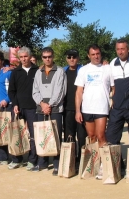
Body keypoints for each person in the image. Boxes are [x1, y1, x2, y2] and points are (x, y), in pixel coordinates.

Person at [75, 44, 114, 179]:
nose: (96, 56)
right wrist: (77, 111)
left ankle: (104, 165)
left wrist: (113, 101)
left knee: (101, 135)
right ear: (88, 55)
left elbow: (114, 88)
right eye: (93, 54)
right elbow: (79, 92)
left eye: (98, 54)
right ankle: (94, 163)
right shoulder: (83, 70)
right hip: (87, 108)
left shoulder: (107, 68)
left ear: (100, 54)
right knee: (91, 137)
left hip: (102, 108)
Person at [32, 47, 66, 175]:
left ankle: (57, 164)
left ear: (53, 57)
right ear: (42, 58)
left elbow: (60, 91)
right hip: (41, 109)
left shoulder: (60, 71)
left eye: (49, 56)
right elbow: (35, 91)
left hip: (55, 109)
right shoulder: (38, 72)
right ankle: (42, 163)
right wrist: (41, 104)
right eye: (45, 57)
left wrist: (49, 105)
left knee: (56, 136)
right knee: (42, 136)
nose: (47, 59)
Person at [106, 39, 129, 160]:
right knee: (111, 137)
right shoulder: (112, 63)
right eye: (118, 49)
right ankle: (116, 166)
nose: (120, 52)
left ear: (128, 49)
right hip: (117, 107)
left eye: (122, 49)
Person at [8, 46, 39, 170]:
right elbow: (11, 91)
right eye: (21, 57)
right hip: (19, 108)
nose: (24, 59)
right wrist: (15, 104)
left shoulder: (37, 70)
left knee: (33, 135)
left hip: (33, 108)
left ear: (30, 56)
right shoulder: (15, 72)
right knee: (17, 134)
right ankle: (17, 159)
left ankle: (32, 160)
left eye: (26, 56)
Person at [62, 49, 87, 167]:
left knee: (82, 136)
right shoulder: (63, 71)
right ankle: (70, 160)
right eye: (69, 57)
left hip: (82, 109)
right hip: (67, 109)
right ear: (66, 58)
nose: (72, 59)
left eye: (74, 57)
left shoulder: (83, 71)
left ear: (78, 58)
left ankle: (81, 160)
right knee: (69, 135)